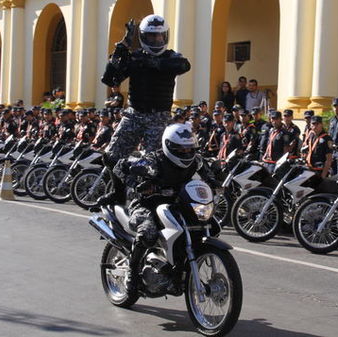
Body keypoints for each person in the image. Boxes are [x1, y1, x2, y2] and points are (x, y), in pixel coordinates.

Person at [112, 123, 218, 296]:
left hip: (178, 202)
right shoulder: (154, 160)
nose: (187, 153)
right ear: (169, 146)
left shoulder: (196, 160)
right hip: (147, 204)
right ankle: (132, 273)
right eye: (181, 150)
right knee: (148, 232)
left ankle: (178, 267)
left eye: (190, 149)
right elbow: (120, 168)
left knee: (210, 225)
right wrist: (138, 185)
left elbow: (209, 174)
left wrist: (215, 183)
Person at [102, 14, 191, 161]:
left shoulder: (171, 57)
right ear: (143, 37)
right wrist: (122, 47)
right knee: (111, 156)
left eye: (160, 36)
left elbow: (184, 65)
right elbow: (110, 79)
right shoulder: (136, 58)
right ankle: (116, 184)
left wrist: (153, 63)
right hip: (133, 115)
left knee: (154, 162)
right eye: (152, 37)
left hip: (159, 118)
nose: (157, 40)